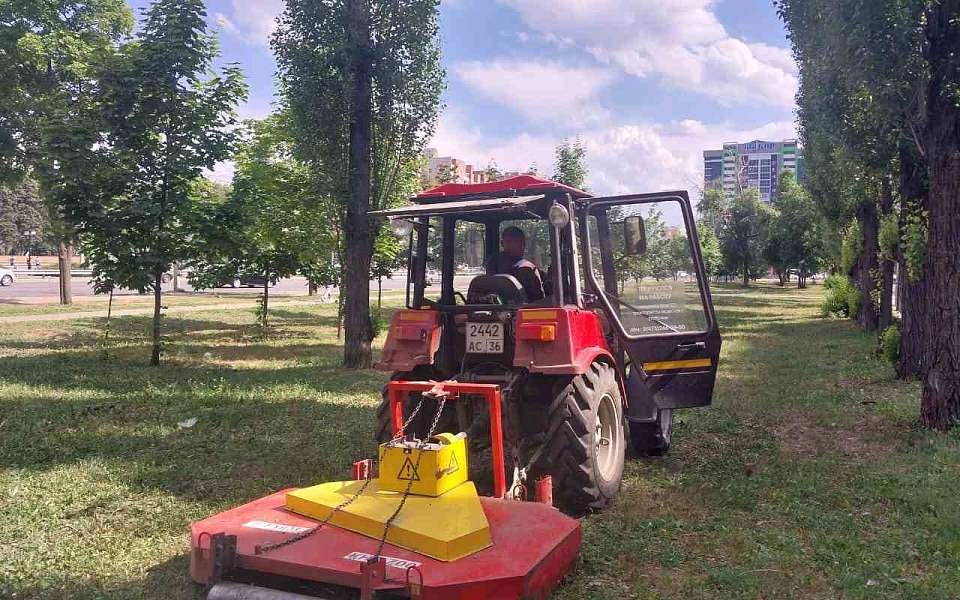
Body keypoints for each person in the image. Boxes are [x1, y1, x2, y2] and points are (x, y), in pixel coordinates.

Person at [485, 226, 546, 301]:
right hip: (525, 307)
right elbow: (539, 299)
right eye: (521, 243)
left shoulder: (491, 263)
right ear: (523, 244)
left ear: (502, 244)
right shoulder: (527, 269)